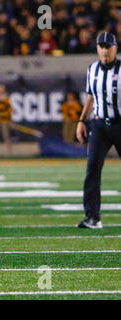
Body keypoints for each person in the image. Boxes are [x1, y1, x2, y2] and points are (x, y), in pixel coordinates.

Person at [76, 32, 121, 229]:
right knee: (92, 169)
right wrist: (81, 120)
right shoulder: (92, 69)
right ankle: (93, 217)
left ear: (115, 48)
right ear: (96, 48)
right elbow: (91, 97)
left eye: (108, 47)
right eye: (101, 46)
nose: (104, 50)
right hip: (100, 124)